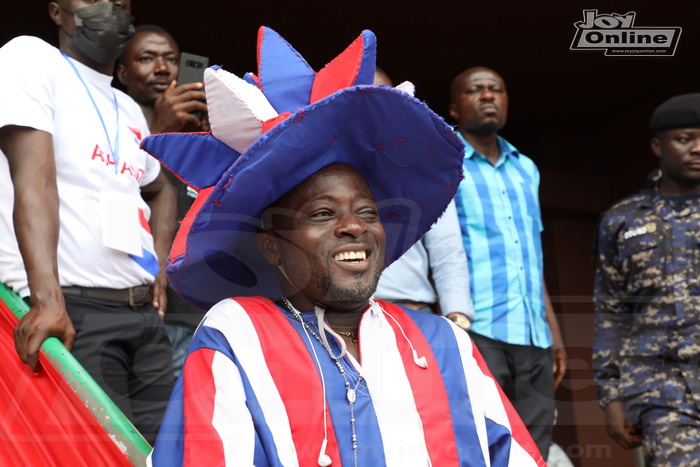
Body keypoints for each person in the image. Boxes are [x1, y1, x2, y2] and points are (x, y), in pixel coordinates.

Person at [144, 26, 545, 466]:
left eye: (369, 213)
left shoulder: (447, 342)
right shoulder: (238, 333)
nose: (355, 227)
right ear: (272, 246)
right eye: (322, 213)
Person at [0, 0, 175, 444]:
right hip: (74, 311)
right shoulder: (31, 58)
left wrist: (158, 264)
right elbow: (35, 179)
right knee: (98, 451)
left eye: (120, 2)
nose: (109, 7)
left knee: (164, 451)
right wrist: (47, 300)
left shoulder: (128, 107)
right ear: (57, 12)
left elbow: (160, 188)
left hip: (142, 314)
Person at [449, 66, 567, 459]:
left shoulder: (526, 169)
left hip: (534, 336)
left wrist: (555, 334)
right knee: (482, 442)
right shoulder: (444, 160)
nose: (487, 96)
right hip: (478, 328)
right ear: (454, 107)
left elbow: (530, 255)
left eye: (495, 90)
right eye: (475, 90)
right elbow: (441, 250)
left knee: (535, 448)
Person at [593, 93, 700, 466]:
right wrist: (611, 396)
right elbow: (611, 311)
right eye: (685, 139)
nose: (697, 148)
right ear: (658, 145)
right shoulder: (622, 220)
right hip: (662, 391)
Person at [116, 24, 207, 377]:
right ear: (122, 72)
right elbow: (123, 188)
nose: (163, 68)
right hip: (149, 310)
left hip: (198, 311)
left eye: (171, 59)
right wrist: (159, 129)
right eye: (146, 58)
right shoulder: (114, 126)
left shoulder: (194, 135)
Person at [373, 68, 474, 329]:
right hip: (337, 318)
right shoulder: (319, 169)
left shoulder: (424, 169)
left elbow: (447, 250)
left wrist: (457, 316)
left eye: (379, 98)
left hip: (413, 314)